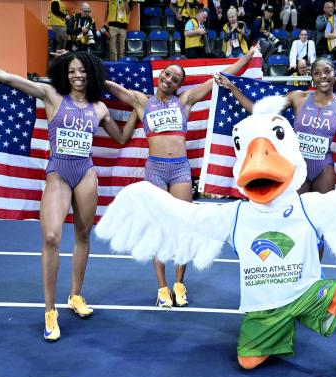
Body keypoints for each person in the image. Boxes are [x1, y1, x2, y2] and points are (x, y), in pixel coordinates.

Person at [0, 49, 137, 341]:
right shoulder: (51, 95)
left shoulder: (99, 108)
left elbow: (122, 138)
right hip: (59, 173)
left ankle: (75, 296)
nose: (77, 76)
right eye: (72, 70)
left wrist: (139, 109)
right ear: (65, 72)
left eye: (83, 71)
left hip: (86, 173)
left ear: (91, 73)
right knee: (51, 237)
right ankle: (50, 310)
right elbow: (3, 77)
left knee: (83, 235)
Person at [104, 47, 259, 308]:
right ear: (160, 75)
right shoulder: (143, 102)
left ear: (179, 84)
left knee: (184, 225)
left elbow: (218, 78)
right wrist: (91, 69)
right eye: (167, 74)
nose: (170, 80)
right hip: (155, 168)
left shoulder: (184, 101)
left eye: (175, 79)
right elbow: (114, 88)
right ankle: (162, 287)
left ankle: (179, 283)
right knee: (158, 228)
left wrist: (247, 57)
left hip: (179, 169)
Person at [217, 57, 336, 196]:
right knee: (297, 213)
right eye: (317, 73)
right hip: (296, 165)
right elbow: (258, 111)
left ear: (334, 74)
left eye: (327, 71)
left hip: (324, 170)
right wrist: (232, 88)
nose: (323, 76)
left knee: (320, 217)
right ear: (312, 78)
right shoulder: (298, 98)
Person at [250, 5, 277, 72]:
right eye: (268, 11)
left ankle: (264, 61)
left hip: (264, 39)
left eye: (271, 12)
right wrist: (264, 35)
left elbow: (271, 34)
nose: (269, 13)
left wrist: (269, 35)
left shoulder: (271, 22)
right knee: (266, 43)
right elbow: (253, 32)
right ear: (264, 12)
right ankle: (258, 60)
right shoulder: (259, 19)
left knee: (273, 45)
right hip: (255, 39)